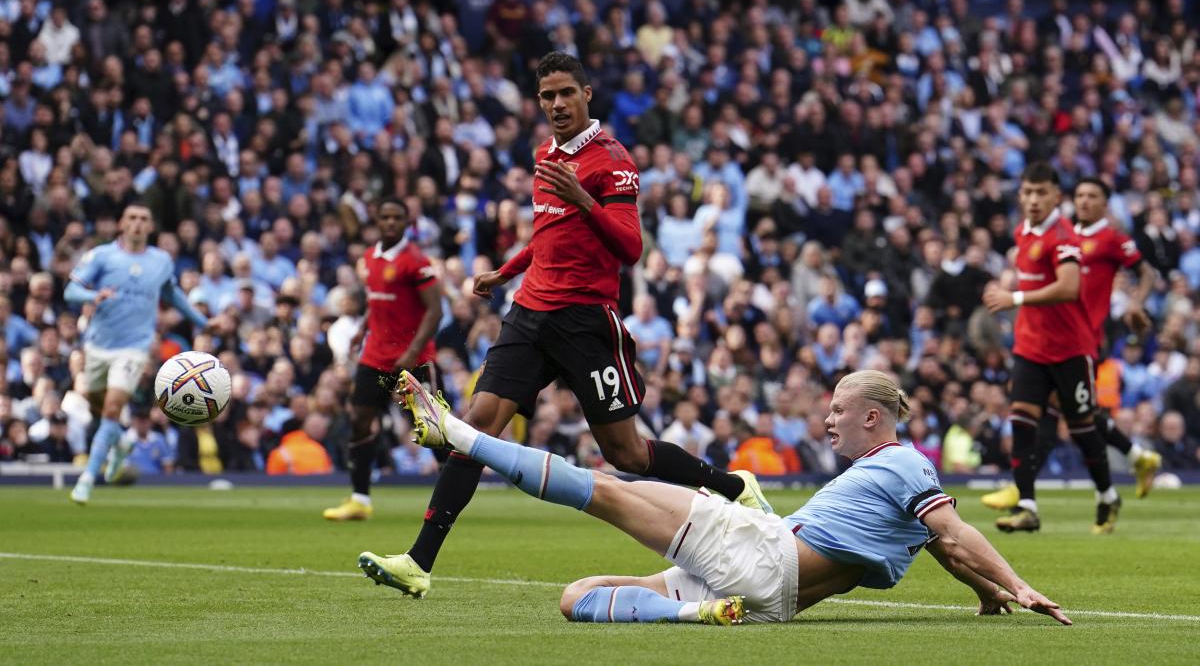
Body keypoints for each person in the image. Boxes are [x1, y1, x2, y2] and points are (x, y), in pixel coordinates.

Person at [364, 52, 771, 599]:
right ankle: (418, 562)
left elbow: (630, 248)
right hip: (530, 313)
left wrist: (584, 198)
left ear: (587, 95)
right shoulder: (545, 155)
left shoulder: (613, 161)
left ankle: (732, 485)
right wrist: (505, 271)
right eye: (547, 96)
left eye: (565, 94)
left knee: (625, 455)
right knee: (474, 429)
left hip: (585, 323)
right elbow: (546, 234)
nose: (556, 104)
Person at [359, 369, 1071, 627]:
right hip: (767, 596)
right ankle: (696, 613)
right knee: (575, 596)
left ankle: (454, 429)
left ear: (873, 418)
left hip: (762, 551)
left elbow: (955, 532)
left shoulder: (904, 463)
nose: (826, 419)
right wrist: (985, 597)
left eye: (837, 409)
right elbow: (940, 543)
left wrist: (1016, 581)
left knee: (605, 488)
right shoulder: (903, 482)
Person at [981, 177, 1163, 512]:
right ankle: (1130, 465)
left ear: (1105, 203)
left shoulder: (1110, 238)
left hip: (1084, 337)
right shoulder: (1060, 232)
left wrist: (1136, 303)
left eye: (1092, 196)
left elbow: (1147, 273)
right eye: (1080, 195)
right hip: (1050, 339)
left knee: (1063, 416)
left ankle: (1027, 490)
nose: (1084, 201)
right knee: (1065, 414)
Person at [983, 163, 1119, 534]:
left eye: (1041, 192)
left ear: (1056, 196)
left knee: (1082, 427)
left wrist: (1014, 296)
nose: (1032, 200)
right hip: (1030, 346)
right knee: (1022, 419)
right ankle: (1027, 505)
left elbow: (1069, 287)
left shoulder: (1063, 237)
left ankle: (1107, 494)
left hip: (1070, 349)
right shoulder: (1022, 232)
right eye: (1027, 192)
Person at [65, 204, 215, 505]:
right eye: (132, 218)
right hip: (97, 345)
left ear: (151, 227)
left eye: (143, 219)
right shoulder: (102, 256)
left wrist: (204, 322)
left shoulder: (160, 260)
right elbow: (70, 292)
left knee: (111, 410)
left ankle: (87, 479)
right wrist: (93, 296)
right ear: (122, 223)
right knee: (99, 411)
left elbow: (171, 294)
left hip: (134, 348)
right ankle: (120, 445)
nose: (137, 224)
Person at [322, 197, 443, 521]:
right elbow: (377, 304)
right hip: (376, 357)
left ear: (406, 223)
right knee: (360, 420)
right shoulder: (370, 257)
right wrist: (362, 330)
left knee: (433, 430)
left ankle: (452, 492)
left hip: (412, 359)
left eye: (396, 218)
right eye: (385, 217)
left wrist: (412, 351)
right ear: (377, 221)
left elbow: (435, 311)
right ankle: (360, 499)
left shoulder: (416, 261)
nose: (390, 222)